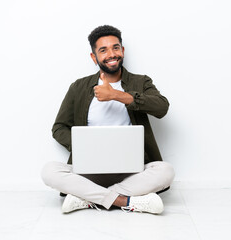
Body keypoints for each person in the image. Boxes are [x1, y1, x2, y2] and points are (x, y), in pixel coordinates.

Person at [41, 25, 174, 214]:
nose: (112, 54)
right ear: (94, 57)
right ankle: (125, 201)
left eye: (116, 47)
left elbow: (162, 107)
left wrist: (117, 95)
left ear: (123, 50)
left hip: (132, 172)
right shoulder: (78, 87)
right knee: (49, 170)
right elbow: (59, 128)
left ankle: (88, 198)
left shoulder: (141, 81)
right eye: (103, 50)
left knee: (166, 170)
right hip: (89, 172)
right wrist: (84, 146)